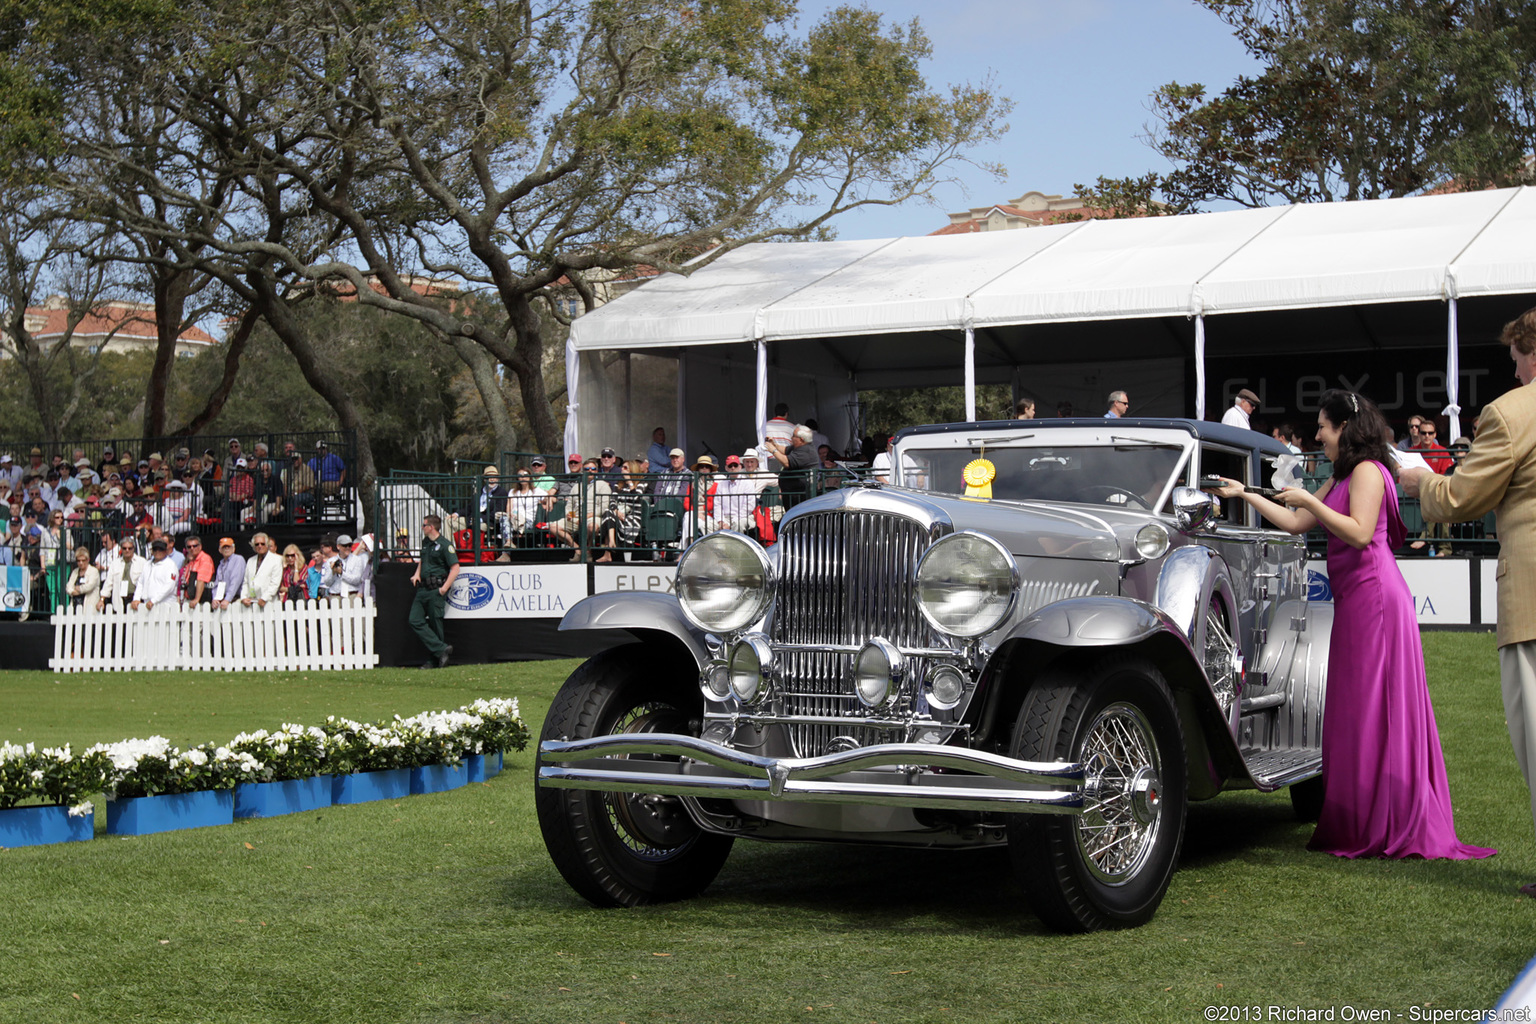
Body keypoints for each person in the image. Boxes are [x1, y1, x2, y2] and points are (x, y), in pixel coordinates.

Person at [1207, 389, 1494, 861]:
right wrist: (1246, 494)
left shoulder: (1366, 472)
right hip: (1356, 602)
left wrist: (1310, 501)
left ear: (1344, 429)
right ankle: (1362, 815)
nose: (1318, 435)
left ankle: (1387, 817)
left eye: (1323, 426)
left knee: (1376, 706)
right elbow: (1297, 522)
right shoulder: (1342, 473)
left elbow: (1359, 533)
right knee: (1357, 709)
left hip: (1377, 600)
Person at [1403, 307, 1536, 893]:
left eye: (1515, 359)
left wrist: (1417, 481)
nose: (1513, 369)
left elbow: (1460, 498)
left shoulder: (1511, 414)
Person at [410, 513, 457, 669]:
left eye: (424, 525)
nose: (422, 528)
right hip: (423, 588)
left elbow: (455, 568)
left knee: (436, 624)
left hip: (436, 588)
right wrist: (417, 573)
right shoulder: (426, 542)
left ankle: (434, 660)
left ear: (431, 527)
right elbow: (423, 559)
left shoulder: (445, 545)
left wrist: (443, 589)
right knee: (414, 620)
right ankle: (441, 649)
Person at [97, 536, 143, 611]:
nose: (127, 550)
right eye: (124, 548)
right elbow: (108, 583)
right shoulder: (115, 563)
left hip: (136, 600)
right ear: (121, 549)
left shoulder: (142, 562)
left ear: (133, 548)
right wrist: (101, 599)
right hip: (119, 599)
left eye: (130, 548)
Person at [131, 539, 178, 612]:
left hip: (165, 605)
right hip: (148, 605)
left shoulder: (171, 565)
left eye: (160, 550)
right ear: (152, 551)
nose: (157, 552)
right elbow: (140, 583)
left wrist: (154, 600)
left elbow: (169, 586)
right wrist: (136, 598)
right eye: (155, 549)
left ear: (165, 551)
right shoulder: (147, 564)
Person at [241, 532, 282, 609]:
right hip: (251, 603)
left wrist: (264, 598)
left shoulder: (276, 560)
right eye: (257, 544)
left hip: (269, 603)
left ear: (267, 545)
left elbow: (275, 584)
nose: (260, 546)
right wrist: (243, 597)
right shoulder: (250, 560)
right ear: (253, 546)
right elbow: (245, 582)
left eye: (262, 544)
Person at [178, 536, 214, 606]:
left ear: (200, 546)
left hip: (201, 602)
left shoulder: (204, 559)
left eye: (195, 546)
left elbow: (201, 580)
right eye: (189, 547)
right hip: (189, 599)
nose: (192, 548)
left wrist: (197, 599)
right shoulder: (191, 561)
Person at [212, 537, 245, 608]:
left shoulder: (238, 559)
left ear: (233, 548)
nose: (226, 549)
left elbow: (235, 582)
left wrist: (227, 599)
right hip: (223, 600)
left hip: (236, 600)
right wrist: (215, 598)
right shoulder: (221, 565)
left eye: (229, 547)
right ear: (220, 550)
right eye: (224, 547)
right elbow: (217, 584)